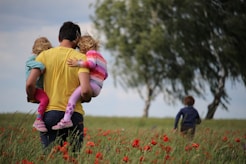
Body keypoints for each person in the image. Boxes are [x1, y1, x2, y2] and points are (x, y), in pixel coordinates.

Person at [26, 21, 92, 152]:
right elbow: (85, 90)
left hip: (50, 114)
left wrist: (32, 96)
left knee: (51, 157)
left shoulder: (43, 56)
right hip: (74, 116)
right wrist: (88, 97)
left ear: (59, 38)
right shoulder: (81, 58)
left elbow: (29, 83)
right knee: (72, 159)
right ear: (77, 40)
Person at [52, 34, 108, 130]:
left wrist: (77, 63)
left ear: (83, 46)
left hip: (92, 85)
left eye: (79, 47)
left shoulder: (91, 53)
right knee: (77, 97)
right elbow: (105, 75)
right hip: (98, 87)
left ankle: (66, 120)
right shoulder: (102, 58)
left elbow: (91, 64)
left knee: (72, 98)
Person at [25, 37, 52, 132]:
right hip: (35, 87)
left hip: (40, 87)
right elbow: (28, 63)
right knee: (45, 99)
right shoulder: (34, 58)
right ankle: (38, 120)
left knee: (45, 99)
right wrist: (41, 66)